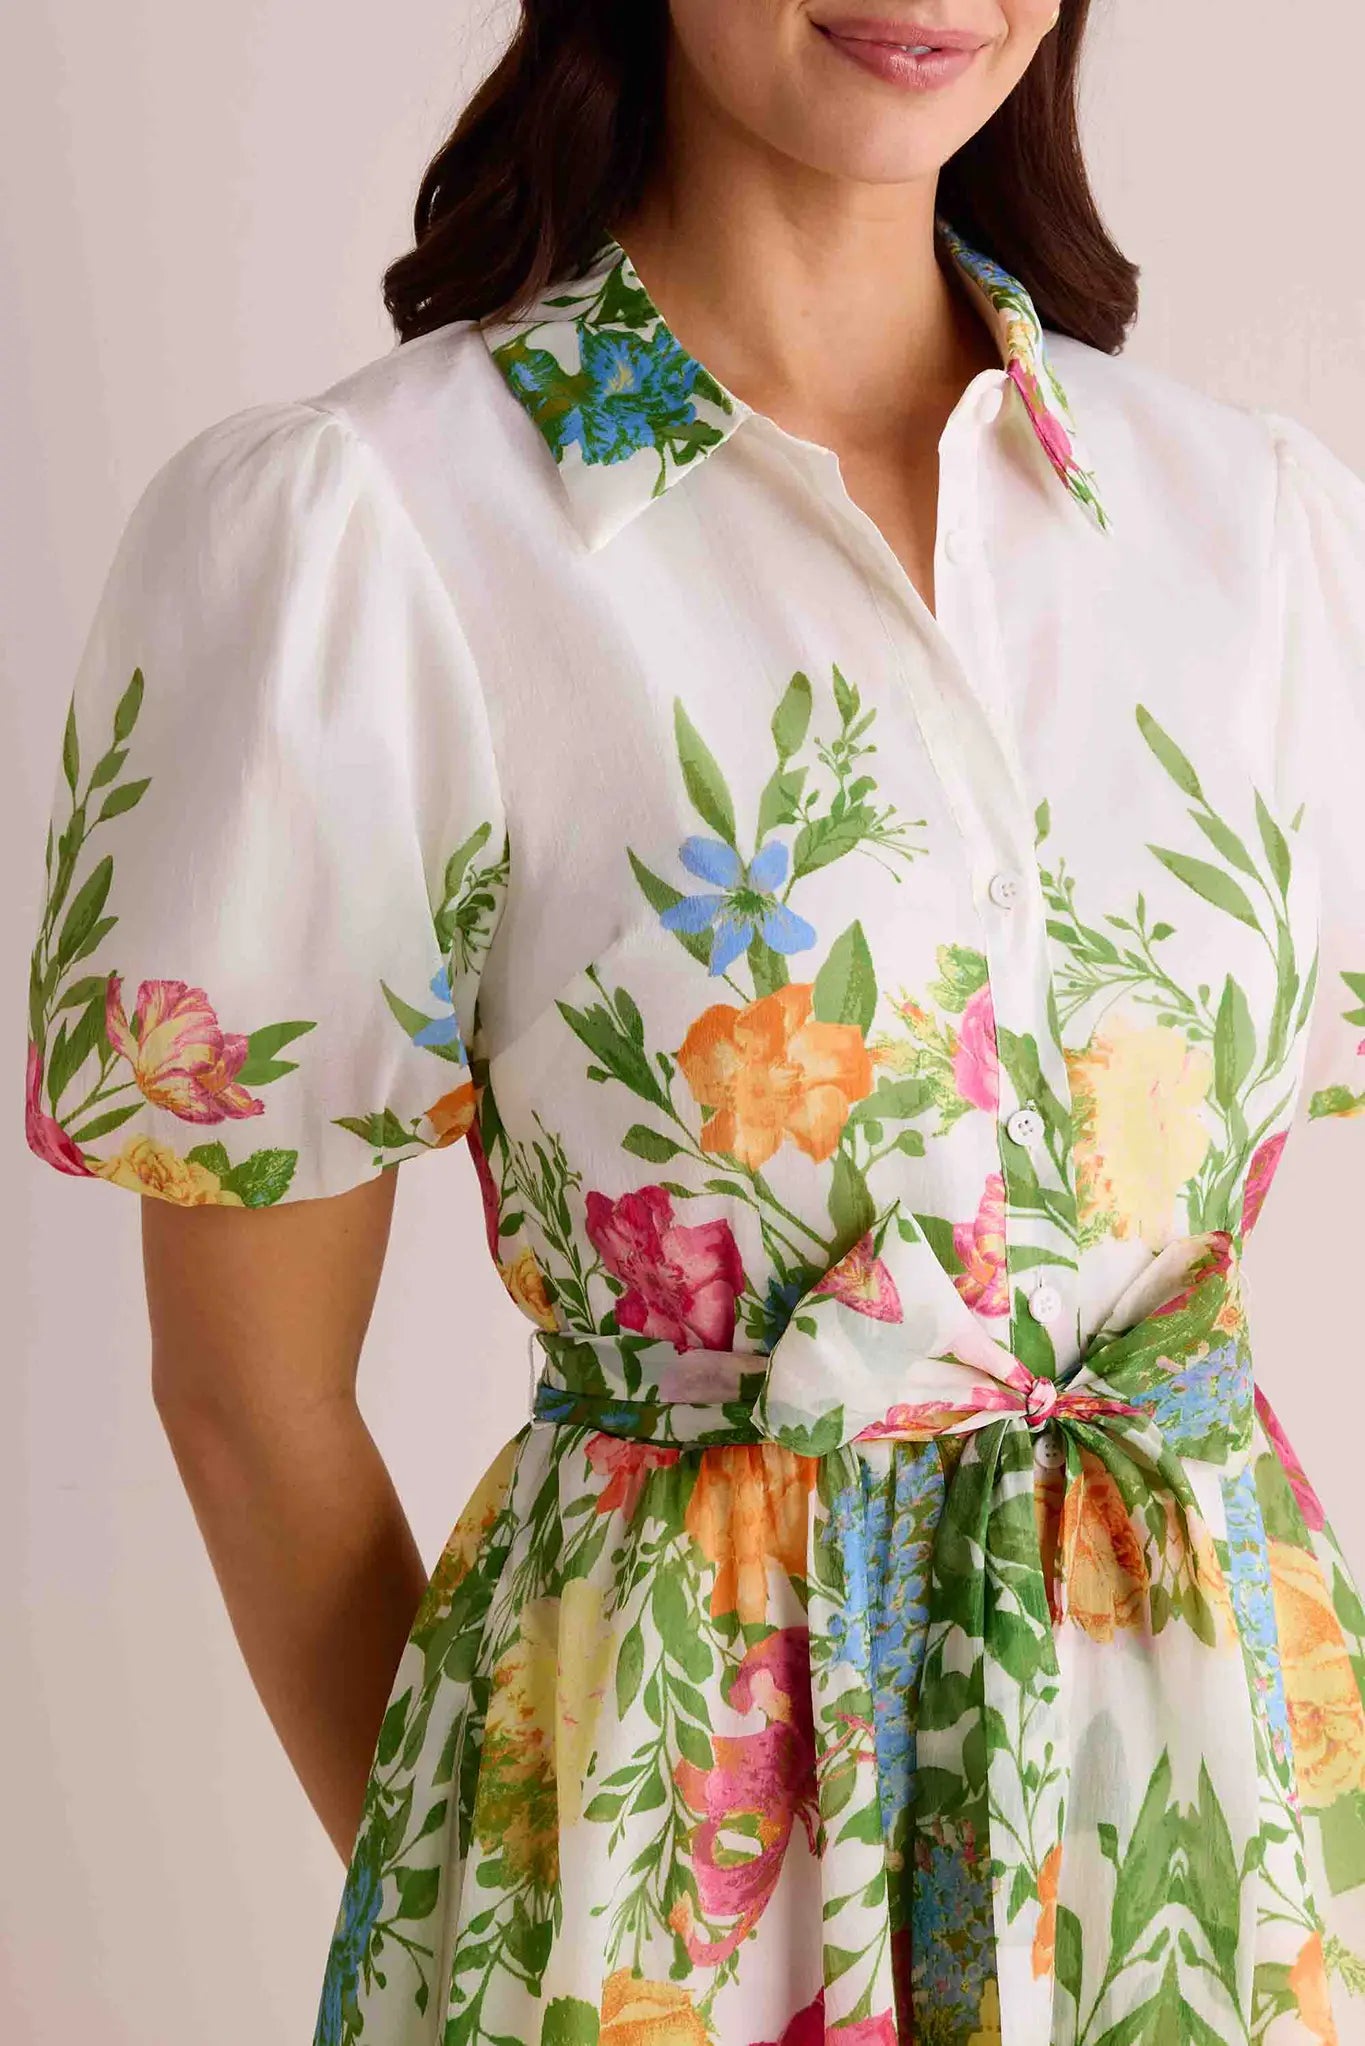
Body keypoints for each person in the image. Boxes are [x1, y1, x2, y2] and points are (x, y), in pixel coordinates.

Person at [22, 0, 1365, 2039]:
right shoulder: (373, 535)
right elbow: (243, 1400)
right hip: (662, 1916)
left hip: (1219, 1888)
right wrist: (512, 1889)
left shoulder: (1247, 534)